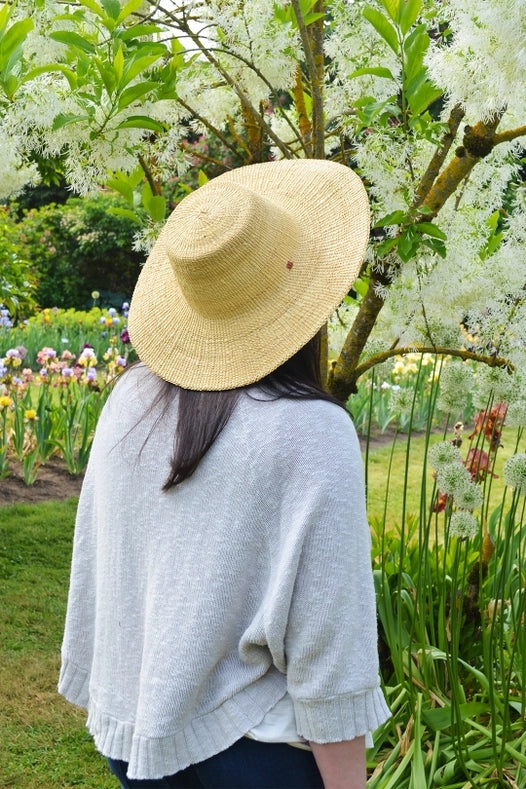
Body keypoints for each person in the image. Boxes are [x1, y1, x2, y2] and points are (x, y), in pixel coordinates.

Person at [58, 158, 391, 789]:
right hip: (255, 757)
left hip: (137, 741)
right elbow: (329, 633)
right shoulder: (314, 433)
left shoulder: (130, 401)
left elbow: (103, 563)